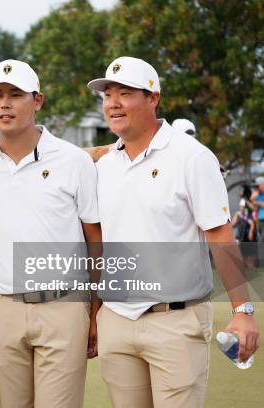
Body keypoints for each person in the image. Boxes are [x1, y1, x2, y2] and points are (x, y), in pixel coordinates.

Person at [88, 56, 259, 408]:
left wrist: (243, 310)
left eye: (125, 93)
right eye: (108, 95)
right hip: (117, 322)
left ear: (153, 98)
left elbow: (220, 236)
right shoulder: (104, 165)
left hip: (176, 322)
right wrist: (94, 315)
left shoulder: (192, 157)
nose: (113, 103)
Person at [0, 59, 102, 407]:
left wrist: (96, 310)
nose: (5, 103)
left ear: (37, 101)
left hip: (63, 307)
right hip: (2, 306)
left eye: (16, 95)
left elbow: (95, 238)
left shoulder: (73, 161)